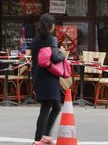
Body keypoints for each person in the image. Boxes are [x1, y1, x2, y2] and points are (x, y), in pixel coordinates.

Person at [31, 13, 65, 145]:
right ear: (51, 26)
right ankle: (38, 139)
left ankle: (44, 137)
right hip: (49, 78)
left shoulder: (35, 41)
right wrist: (62, 55)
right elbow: (56, 58)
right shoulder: (52, 40)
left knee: (55, 107)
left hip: (38, 77)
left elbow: (35, 61)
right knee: (46, 108)